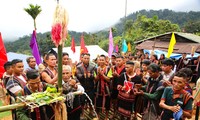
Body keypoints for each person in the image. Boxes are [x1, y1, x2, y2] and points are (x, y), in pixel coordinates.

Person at [75, 53, 96, 118]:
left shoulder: (93, 66)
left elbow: (95, 76)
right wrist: (83, 75)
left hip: (90, 86)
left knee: (91, 101)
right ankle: (83, 113)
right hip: (82, 87)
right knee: (82, 102)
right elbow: (78, 76)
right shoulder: (79, 67)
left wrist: (91, 76)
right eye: (85, 58)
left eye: (88, 58)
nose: (86, 59)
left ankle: (91, 111)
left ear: (89, 59)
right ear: (82, 58)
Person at [94, 55, 112, 120]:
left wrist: (102, 75)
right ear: (98, 61)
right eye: (100, 60)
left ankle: (106, 117)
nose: (101, 61)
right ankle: (98, 116)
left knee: (107, 104)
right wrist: (98, 74)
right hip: (98, 88)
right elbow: (95, 80)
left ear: (105, 61)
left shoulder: (109, 69)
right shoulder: (96, 69)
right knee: (98, 103)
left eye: (102, 60)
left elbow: (109, 79)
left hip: (106, 89)